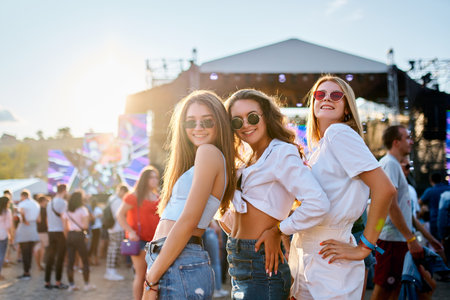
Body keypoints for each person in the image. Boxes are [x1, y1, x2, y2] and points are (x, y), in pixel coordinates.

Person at [253, 76, 394, 299]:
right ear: (313, 103)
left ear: (347, 107)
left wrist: (365, 247)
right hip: (309, 254)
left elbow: (386, 190)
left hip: (330, 257)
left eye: (336, 95)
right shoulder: (320, 146)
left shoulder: (339, 133)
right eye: (320, 94)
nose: (327, 98)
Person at [223, 89, 329, 300]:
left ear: (266, 116)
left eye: (252, 117)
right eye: (236, 121)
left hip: (262, 264)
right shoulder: (245, 159)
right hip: (239, 259)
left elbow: (318, 203)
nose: (245, 124)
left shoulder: (281, 151)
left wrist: (278, 231)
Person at [143, 90, 235, 300]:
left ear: (219, 123)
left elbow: (188, 220)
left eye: (207, 121)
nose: (198, 128)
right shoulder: (204, 157)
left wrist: (151, 279)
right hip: (173, 258)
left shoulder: (208, 152)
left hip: (179, 259)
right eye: (190, 122)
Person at [371, 125, 424, 300]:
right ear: (396, 142)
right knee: (383, 288)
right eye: (407, 137)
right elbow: (391, 206)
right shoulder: (390, 164)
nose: (410, 141)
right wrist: (410, 238)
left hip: (395, 238)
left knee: (393, 289)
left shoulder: (392, 164)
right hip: (391, 239)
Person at [117, 166, 161, 300]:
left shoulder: (157, 196)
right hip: (140, 240)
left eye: (156, 177)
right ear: (144, 179)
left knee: (153, 276)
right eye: (151, 177)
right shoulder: (134, 196)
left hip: (156, 241)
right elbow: (120, 215)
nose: (154, 180)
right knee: (141, 274)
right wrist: (130, 232)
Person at [63, 191, 95, 292]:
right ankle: (86, 284)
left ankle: (71, 285)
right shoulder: (83, 210)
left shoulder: (67, 211)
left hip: (70, 235)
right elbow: (85, 226)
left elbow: (65, 227)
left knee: (71, 261)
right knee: (84, 259)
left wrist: (67, 237)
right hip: (80, 235)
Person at [45, 183, 69, 290]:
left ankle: (47, 281)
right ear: (64, 190)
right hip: (60, 232)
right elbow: (64, 220)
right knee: (60, 258)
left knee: (50, 257)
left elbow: (46, 219)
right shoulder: (63, 203)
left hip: (51, 231)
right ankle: (58, 282)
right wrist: (66, 234)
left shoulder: (49, 203)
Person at [104, 184, 129, 281]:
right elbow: (119, 216)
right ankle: (111, 272)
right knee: (114, 250)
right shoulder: (118, 201)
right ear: (122, 191)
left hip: (111, 228)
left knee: (111, 250)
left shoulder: (112, 198)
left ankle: (109, 271)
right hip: (117, 228)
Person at [15, 189, 41, 279]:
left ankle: (26, 272)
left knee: (24, 251)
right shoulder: (36, 204)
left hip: (25, 227)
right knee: (30, 251)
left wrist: (25, 220)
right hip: (33, 226)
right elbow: (39, 218)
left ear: (23, 196)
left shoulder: (23, 204)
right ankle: (28, 270)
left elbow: (21, 212)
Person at [419, 172, 450, 240]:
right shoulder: (448, 189)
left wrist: (425, 206)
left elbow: (419, 202)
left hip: (434, 221)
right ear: (441, 179)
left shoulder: (430, 191)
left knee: (437, 243)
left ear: (431, 180)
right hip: (448, 220)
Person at [0, 196, 13, 280]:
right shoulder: (7, 212)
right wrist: (11, 235)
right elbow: (9, 225)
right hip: (3, 234)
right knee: (1, 255)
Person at [34, 195, 49, 271]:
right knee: (43, 248)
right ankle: (41, 264)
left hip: (36, 231)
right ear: (43, 201)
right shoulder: (45, 210)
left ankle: (38, 265)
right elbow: (46, 221)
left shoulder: (35, 209)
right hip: (44, 231)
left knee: (37, 248)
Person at [89, 198, 102, 266]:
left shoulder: (90, 209)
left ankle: (91, 260)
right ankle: (96, 260)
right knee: (96, 245)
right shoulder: (97, 209)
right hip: (96, 229)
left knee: (92, 244)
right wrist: (95, 217)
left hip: (91, 229)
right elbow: (101, 215)